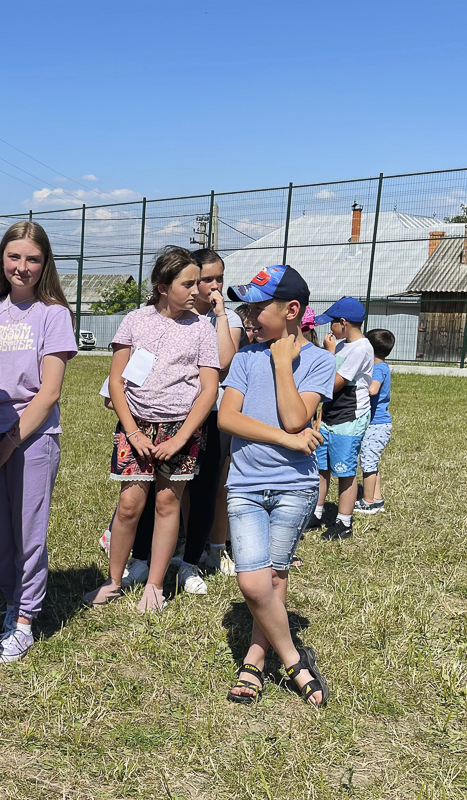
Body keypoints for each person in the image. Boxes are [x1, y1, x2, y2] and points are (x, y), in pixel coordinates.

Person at [218, 265, 334, 707]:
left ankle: (253, 657)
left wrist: (284, 365)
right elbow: (229, 418)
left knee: (275, 576)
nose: (248, 315)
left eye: (257, 307)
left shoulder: (321, 361)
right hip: (245, 485)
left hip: (293, 488)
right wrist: (288, 440)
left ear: (291, 310)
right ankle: (293, 658)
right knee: (252, 582)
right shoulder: (247, 358)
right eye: (245, 306)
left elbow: (294, 415)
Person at [82, 246, 219, 613]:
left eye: (198, 283)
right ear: (162, 286)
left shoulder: (203, 329)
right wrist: (133, 433)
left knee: (167, 501)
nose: (197, 290)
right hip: (136, 426)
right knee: (129, 504)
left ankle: (155, 586)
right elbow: (116, 382)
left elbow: (208, 391)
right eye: (188, 283)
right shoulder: (135, 320)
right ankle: (114, 581)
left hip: (181, 430)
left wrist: (180, 438)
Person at [0, 221, 76, 663]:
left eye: (33, 258)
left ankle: (25, 618)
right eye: (14, 257)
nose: (22, 267)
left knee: (27, 531)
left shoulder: (52, 314)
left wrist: (9, 443)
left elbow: (49, 391)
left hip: (32, 438)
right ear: (2, 259)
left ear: (45, 264)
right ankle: (9, 598)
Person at [125, 248, 243, 592]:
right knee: (154, 494)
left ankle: (191, 562)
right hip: (165, 417)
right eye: (205, 279)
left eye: (218, 278)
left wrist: (219, 316)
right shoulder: (153, 318)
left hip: (212, 416)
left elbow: (222, 363)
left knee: (205, 490)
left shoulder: (227, 320)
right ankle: (142, 558)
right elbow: (138, 363)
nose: (212, 286)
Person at [309, 297, 374, 540]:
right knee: (321, 468)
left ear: (343, 323)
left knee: (345, 472)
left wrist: (329, 354)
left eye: (332, 323)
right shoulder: (345, 345)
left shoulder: (361, 349)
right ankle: (316, 513)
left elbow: (334, 384)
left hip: (348, 420)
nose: (330, 329)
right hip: (330, 417)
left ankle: (344, 522)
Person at [356, 328, 394, 514]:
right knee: (372, 462)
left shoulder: (378, 368)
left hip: (376, 424)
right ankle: (377, 499)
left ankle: (368, 501)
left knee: (368, 464)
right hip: (379, 424)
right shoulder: (381, 366)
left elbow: (373, 390)